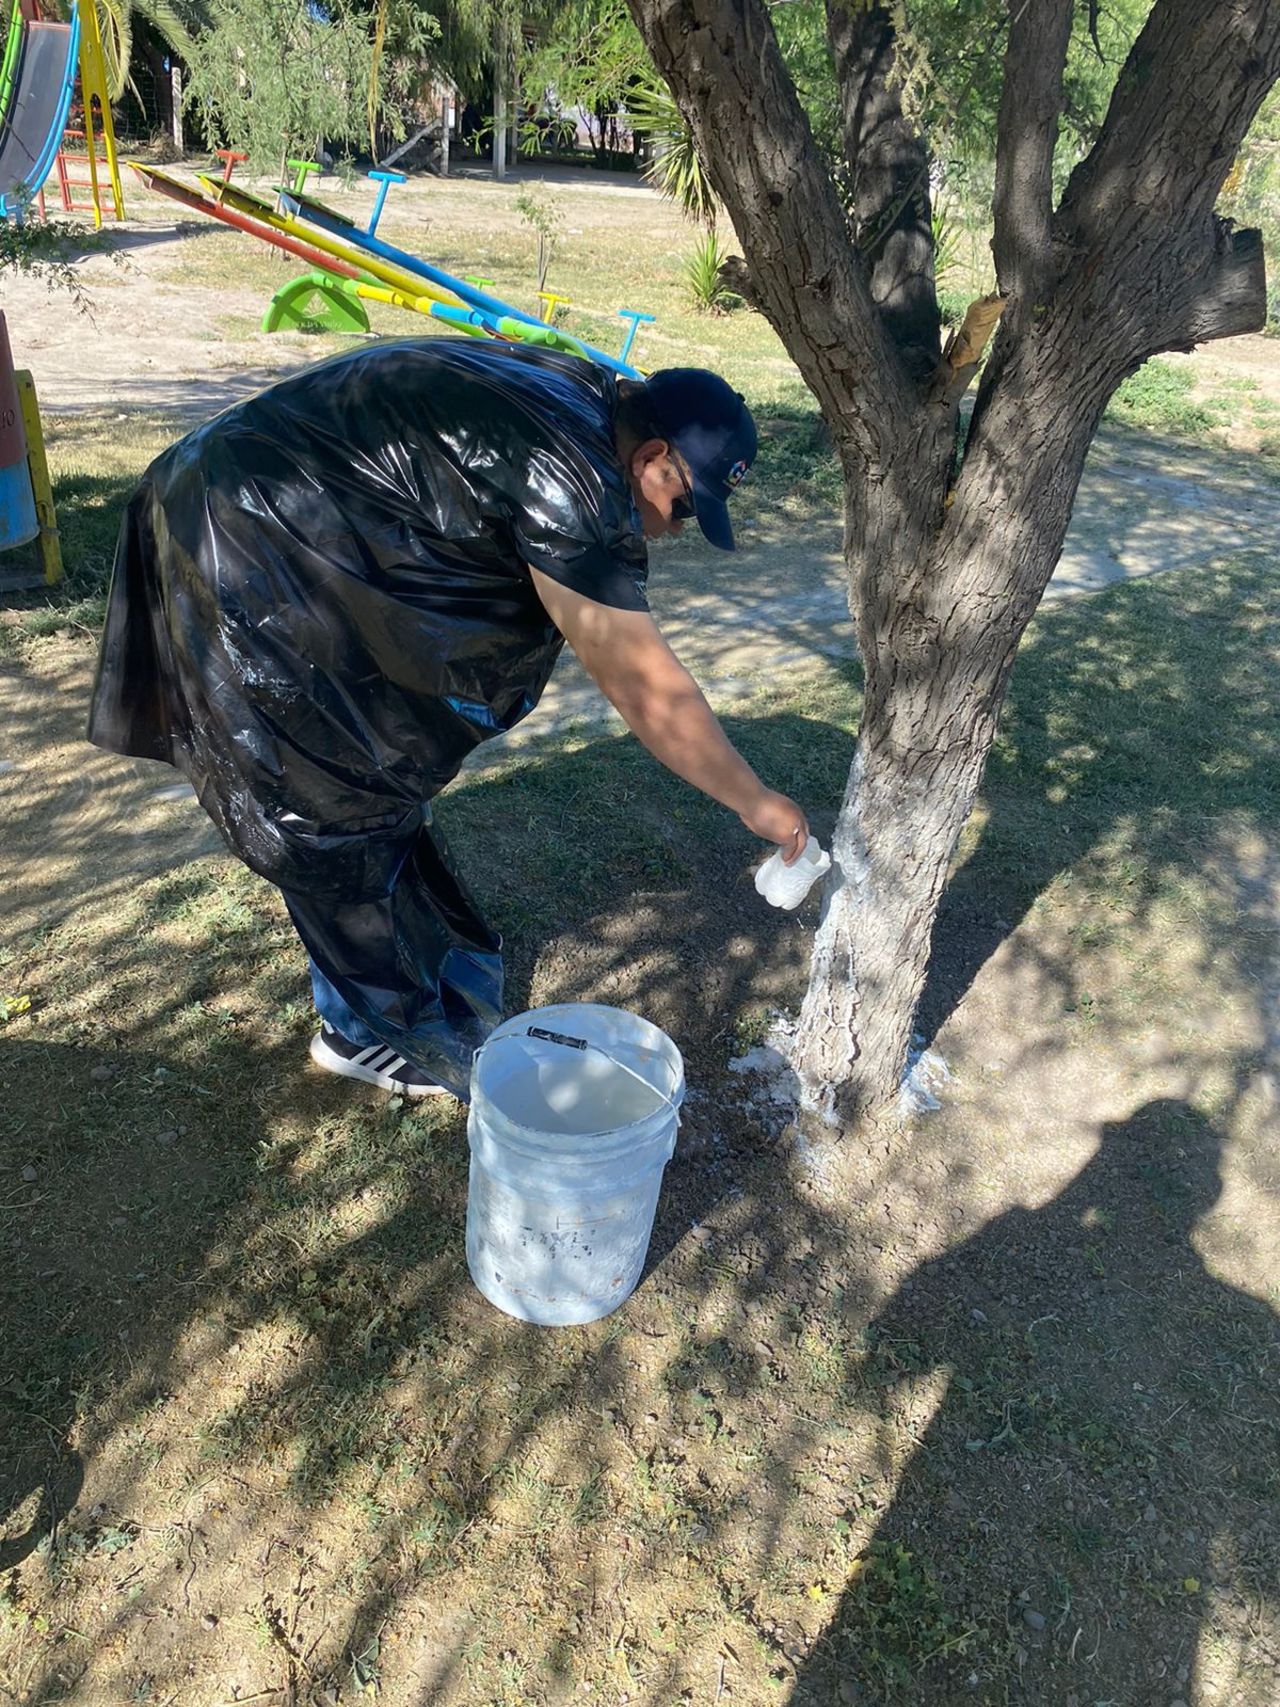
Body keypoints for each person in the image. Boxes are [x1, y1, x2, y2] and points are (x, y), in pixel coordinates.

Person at [87, 337, 810, 1100]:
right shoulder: (570, 481)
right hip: (247, 524)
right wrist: (755, 801)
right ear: (653, 457)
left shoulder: (591, 401)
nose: (677, 528)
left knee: (372, 751)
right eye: (685, 506)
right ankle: (361, 1030)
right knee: (325, 782)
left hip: (270, 499)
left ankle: (399, 976)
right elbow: (645, 685)